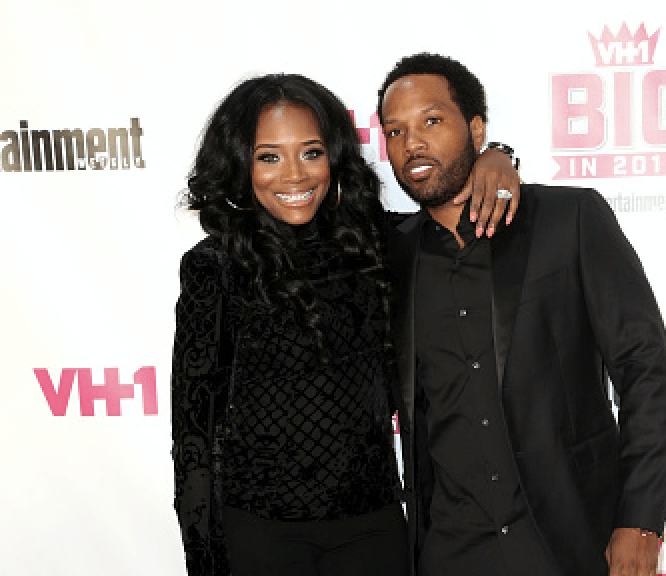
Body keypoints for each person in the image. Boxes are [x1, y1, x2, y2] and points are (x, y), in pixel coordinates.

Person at [170, 73, 521, 576]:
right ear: (239, 163)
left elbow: (448, 205)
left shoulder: (375, 243)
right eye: (269, 156)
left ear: (334, 157)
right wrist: (203, 554)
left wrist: (497, 155)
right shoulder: (215, 266)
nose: (294, 175)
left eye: (310, 153)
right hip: (258, 532)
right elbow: (192, 433)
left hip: (371, 528)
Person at [377, 53, 666, 576]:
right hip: (448, 552)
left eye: (431, 120)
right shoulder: (388, 255)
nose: (413, 144)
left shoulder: (570, 219)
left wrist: (641, 521)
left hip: (568, 539)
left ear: (475, 126)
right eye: (395, 130)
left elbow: (644, 368)